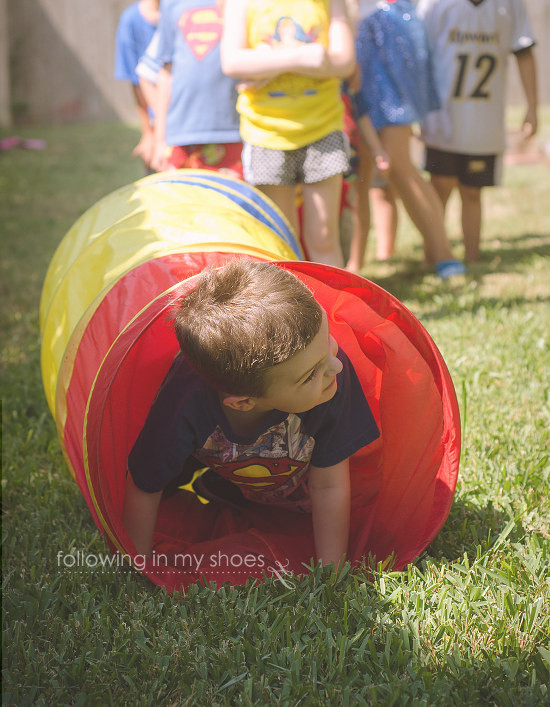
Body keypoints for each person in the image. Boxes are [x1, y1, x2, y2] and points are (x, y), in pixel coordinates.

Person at [123, 260, 380, 568]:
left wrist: (330, 573)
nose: (335, 367)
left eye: (328, 343)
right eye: (309, 375)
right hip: (236, 477)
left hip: (296, 496)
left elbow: (329, 484)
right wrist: (134, 565)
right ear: (243, 402)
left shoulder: (329, 376)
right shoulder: (185, 400)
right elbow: (144, 481)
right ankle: (225, 492)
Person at [219, 0, 357, 267]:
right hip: (266, 134)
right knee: (282, 241)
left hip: (323, 128)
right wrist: (302, 56)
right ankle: (292, 309)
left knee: (325, 239)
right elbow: (232, 61)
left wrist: (267, 64)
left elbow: (345, 62)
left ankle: (328, 307)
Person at [417, 0, 538, 263]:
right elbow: (419, 55)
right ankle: (434, 256)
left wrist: (532, 106)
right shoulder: (434, 5)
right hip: (442, 120)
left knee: (472, 191)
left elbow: (524, 51)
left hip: (484, 121)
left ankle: (472, 257)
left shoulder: (510, 5)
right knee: (440, 187)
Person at [352, 0, 465, 279]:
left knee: (400, 165)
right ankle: (353, 264)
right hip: (352, 46)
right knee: (357, 178)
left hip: (383, 44)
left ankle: (443, 253)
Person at [150, 0, 243, 177]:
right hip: (180, 135)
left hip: (232, 131)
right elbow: (166, 73)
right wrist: (159, 139)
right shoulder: (171, 4)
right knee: (183, 201)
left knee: (231, 201)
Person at [114, 0, 160, 172]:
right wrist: (148, 132)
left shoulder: (183, 12)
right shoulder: (131, 20)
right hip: (156, 117)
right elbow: (137, 81)